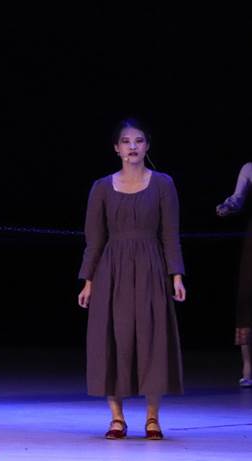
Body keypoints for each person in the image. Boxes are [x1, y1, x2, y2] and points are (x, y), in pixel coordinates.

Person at [77, 118, 186, 440]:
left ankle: (152, 418)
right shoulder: (101, 187)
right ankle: (117, 418)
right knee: (112, 339)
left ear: (147, 145)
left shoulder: (163, 184)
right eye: (126, 141)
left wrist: (176, 275)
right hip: (111, 270)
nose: (133, 146)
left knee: (152, 339)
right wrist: (88, 280)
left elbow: (171, 234)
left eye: (138, 140)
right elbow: (94, 239)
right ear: (116, 148)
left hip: (151, 267)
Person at [216, 162, 252, 387]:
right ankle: (248, 367)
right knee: (247, 298)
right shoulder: (249, 169)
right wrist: (227, 206)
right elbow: (237, 199)